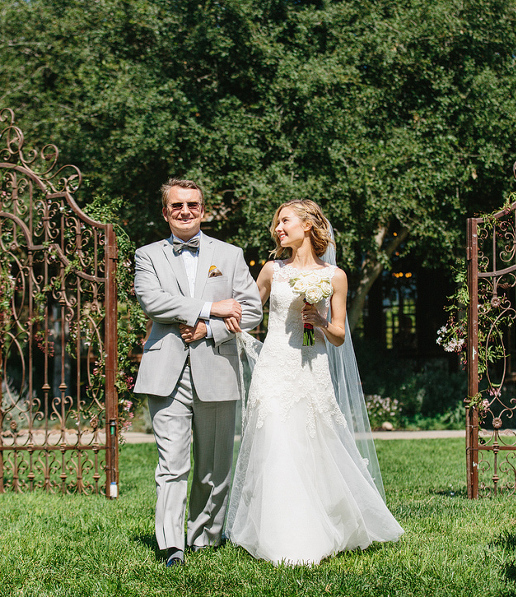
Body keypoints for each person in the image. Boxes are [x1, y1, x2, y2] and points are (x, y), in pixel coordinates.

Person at [225, 199, 402, 565]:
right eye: (276, 223)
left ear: (307, 225)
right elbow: (250, 308)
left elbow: (339, 335)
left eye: (284, 221)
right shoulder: (272, 270)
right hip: (275, 366)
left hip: (312, 367)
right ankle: (278, 535)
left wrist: (318, 321)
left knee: (311, 444)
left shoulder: (334, 276)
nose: (277, 228)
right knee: (274, 440)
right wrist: (227, 316)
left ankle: (321, 526)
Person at [132, 179, 262, 567]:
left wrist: (211, 328)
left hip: (218, 365)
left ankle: (205, 535)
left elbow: (251, 310)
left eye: (193, 205)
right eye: (177, 206)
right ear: (165, 212)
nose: (185, 211)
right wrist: (211, 308)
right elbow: (153, 301)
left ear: (203, 210)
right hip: (165, 369)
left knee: (214, 465)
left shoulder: (231, 254)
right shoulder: (147, 255)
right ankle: (172, 545)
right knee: (172, 463)